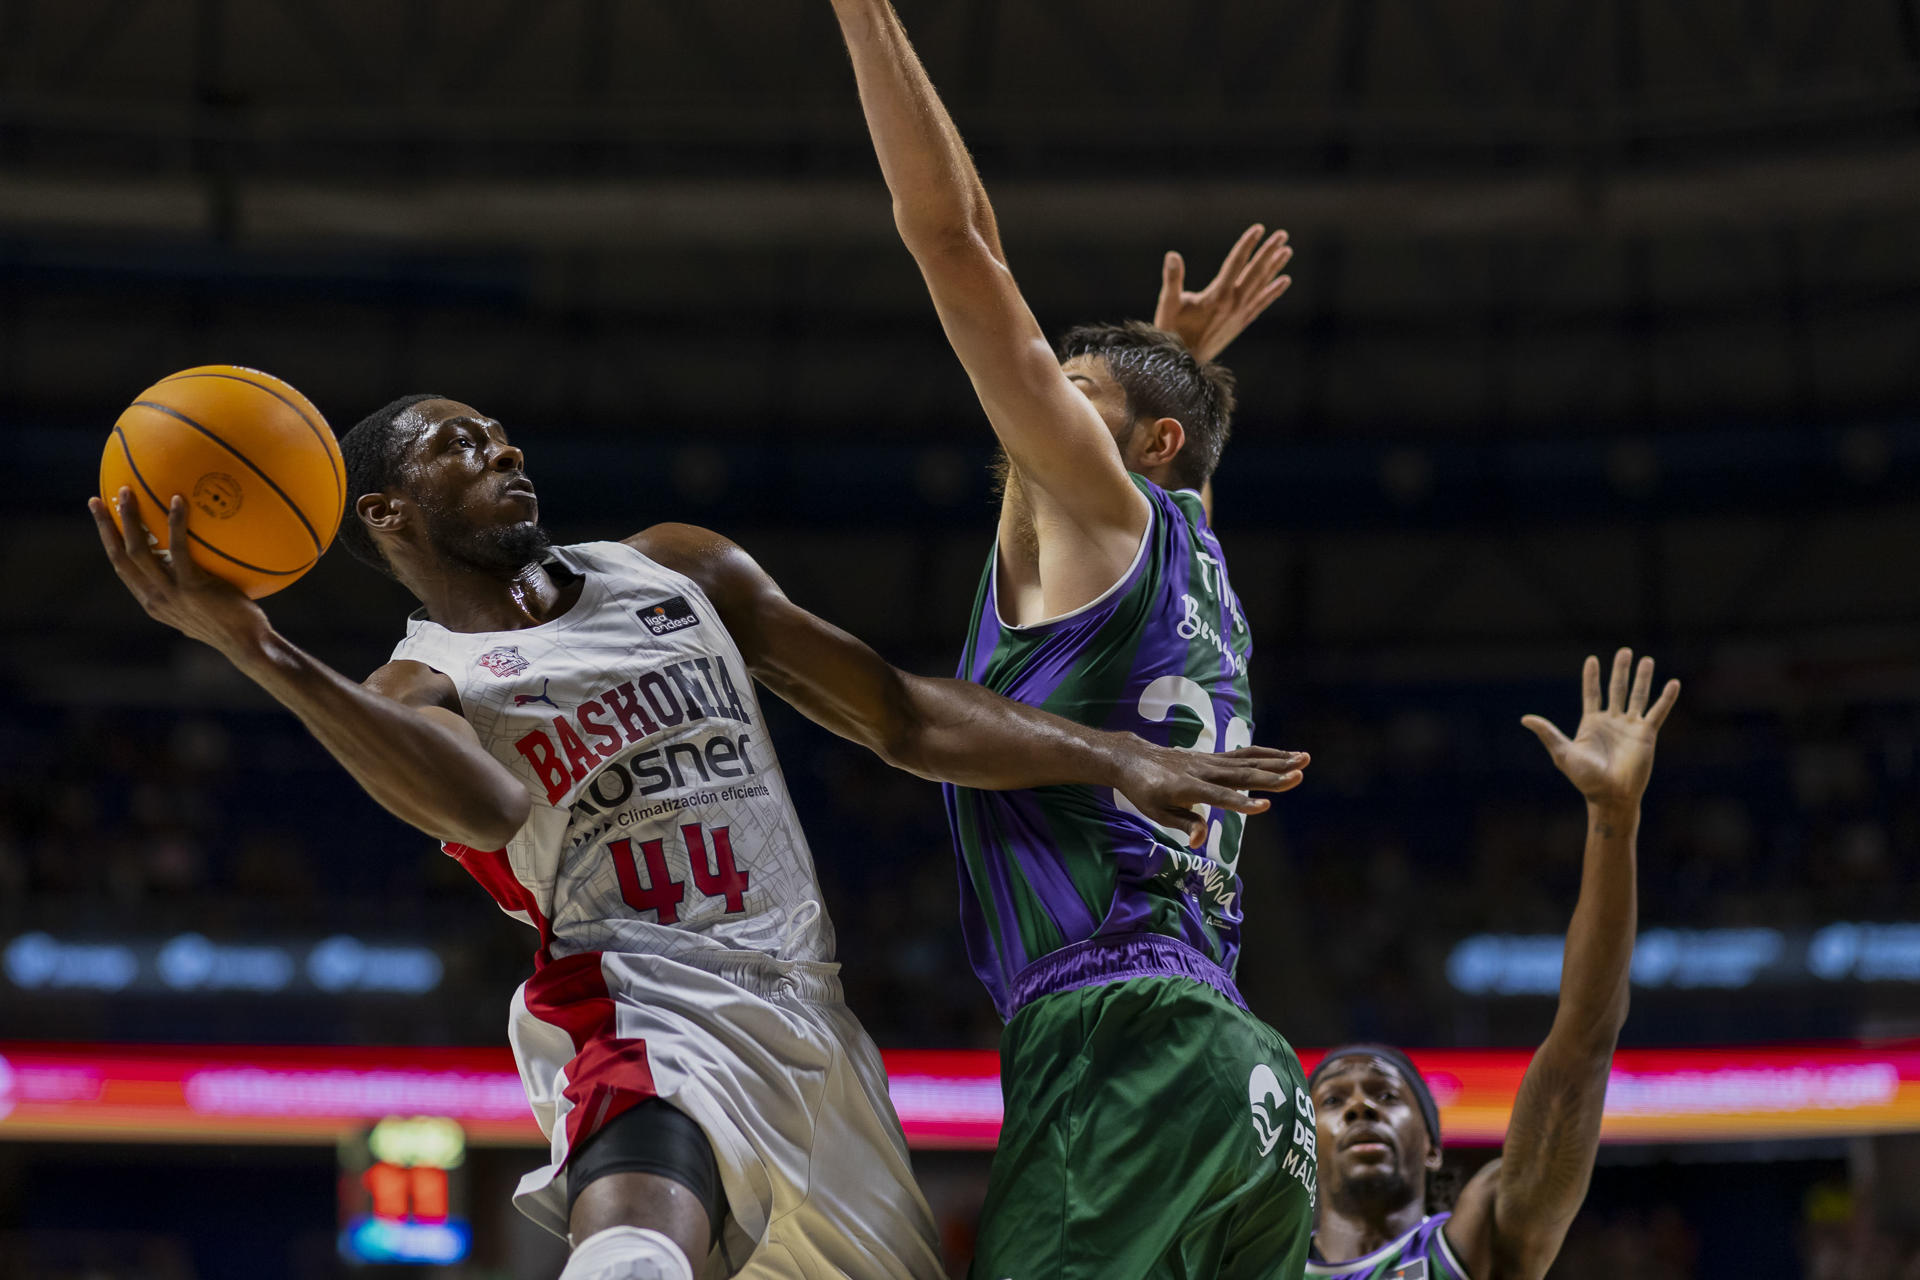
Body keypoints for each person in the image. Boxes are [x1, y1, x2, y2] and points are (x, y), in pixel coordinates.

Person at [87, 395, 1310, 1280]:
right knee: (634, 1243)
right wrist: (257, 646)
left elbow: (895, 708)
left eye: (503, 429)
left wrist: (1118, 754)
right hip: (641, 998)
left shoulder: (675, 568)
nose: (505, 444)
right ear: (387, 512)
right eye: (461, 443)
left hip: (814, 1023)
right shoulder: (421, 681)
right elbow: (483, 806)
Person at [826, 2, 1315, 1274]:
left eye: (1072, 389)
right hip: (1243, 1077)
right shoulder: (1194, 551)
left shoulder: (1107, 511)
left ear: (1138, 449)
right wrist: (1170, 363)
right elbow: (1183, 467)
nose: (1038, 391)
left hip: (1122, 1037)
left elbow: (953, 239)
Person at [1307, 649, 1679, 1280]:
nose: (1361, 1108)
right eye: (1334, 1099)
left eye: (1387, 1096)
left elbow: (1582, 1042)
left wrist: (1613, 818)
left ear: (1430, 1148)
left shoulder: (1475, 1243)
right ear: (1299, 1145)